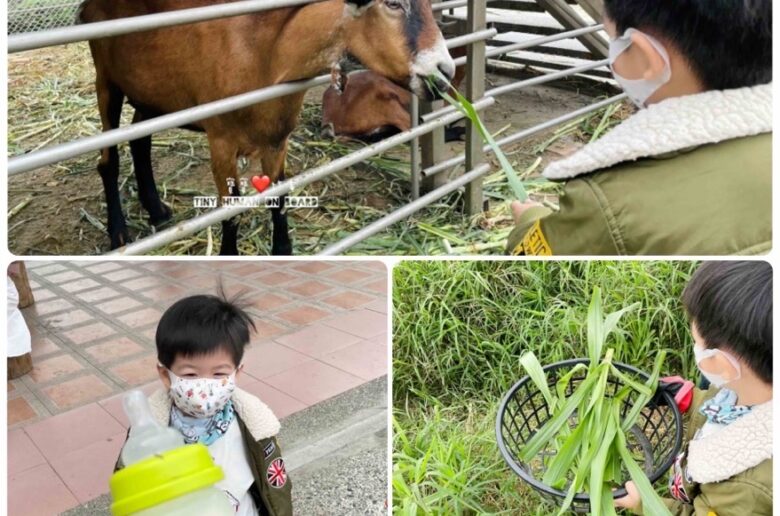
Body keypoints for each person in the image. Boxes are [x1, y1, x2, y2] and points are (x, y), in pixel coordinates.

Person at [506, 0, 772, 255]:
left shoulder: (608, 200)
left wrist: (529, 220)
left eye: (614, 42)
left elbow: (534, 253)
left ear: (646, 57)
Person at [115, 290, 293, 516]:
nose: (205, 388)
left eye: (219, 374)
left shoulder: (254, 425)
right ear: (165, 374)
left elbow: (274, 487)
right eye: (190, 375)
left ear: (237, 373)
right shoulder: (153, 435)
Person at [615, 261, 772, 515]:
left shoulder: (749, 489)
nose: (695, 349)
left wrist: (646, 505)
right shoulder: (751, 388)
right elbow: (728, 404)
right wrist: (693, 398)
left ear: (723, 364)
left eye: (697, 343)